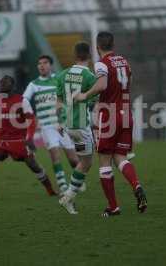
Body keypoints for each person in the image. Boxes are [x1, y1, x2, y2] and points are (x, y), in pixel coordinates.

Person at [75, 32, 147, 216]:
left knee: (105, 160)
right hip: (126, 114)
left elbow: (101, 85)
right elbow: (129, 81)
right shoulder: (124, 61)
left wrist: (85, 95)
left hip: (110, 115)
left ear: (97, 46)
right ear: (113, 44)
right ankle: (136, 185)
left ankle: (113, 207)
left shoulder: (101, 63)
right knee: (120, 157)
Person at [0, 75, 56, 201]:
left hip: (18, 141)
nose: (3, 83)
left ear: (13, 86)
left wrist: (29, 138)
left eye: (6, 82)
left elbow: (31, 120)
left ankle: (50, 190)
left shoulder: (22, 101)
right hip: (0, 141)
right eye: (1, 82)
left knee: (34, 166)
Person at [23, 55, 79, 195]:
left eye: (45, 63)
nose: (42, 65)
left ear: (50, 65)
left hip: (63, 125)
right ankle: (62, 186)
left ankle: (77, 180)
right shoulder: (34, 84)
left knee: (73, 160)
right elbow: (23, 100)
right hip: (47, 126)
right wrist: (29, 114)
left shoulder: (59, 80)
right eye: (39, 63)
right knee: (55, 153)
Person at [56, 42, 97, 214]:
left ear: (75, 55)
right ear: (89, 56)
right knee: (86, 163)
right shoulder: (90, 77)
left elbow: (58, 103)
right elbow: (94, 102)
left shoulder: (62, 75)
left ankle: (69, 196)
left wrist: (59, 122)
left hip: (68, 126)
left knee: (83, 162)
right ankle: (67, 197)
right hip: (81, 126)